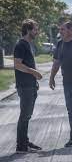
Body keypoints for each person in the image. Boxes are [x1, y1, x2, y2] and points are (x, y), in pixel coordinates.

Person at [14, 19, 43, 153]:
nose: (37, 32)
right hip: (24, 86)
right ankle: (21, 146)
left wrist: (34, 79)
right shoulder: (21, 45)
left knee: (27, 115)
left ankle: (24, 141)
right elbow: (17, 65)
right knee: (25, 115)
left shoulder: (28, 44)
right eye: (35, 29)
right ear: (28, 30)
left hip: (30, 85)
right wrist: (34, 72)